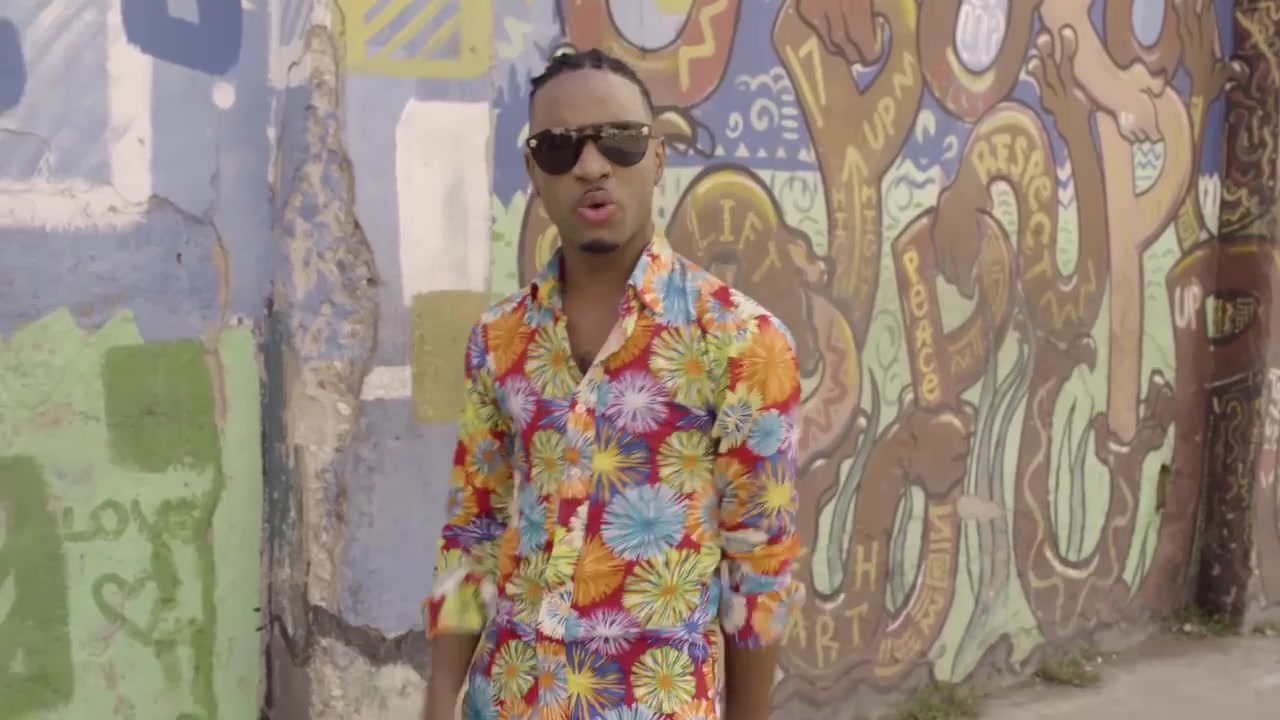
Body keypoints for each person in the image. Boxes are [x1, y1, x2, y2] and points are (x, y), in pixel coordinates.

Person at [422, 48, 803, 720]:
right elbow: (472, 532)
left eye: (620, 140)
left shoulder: (743, 341)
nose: (592, 166)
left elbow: (759, 567)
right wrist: (436, 701)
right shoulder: (498, 340)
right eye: (560, 147)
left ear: (656, 157)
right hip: (507, 702)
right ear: (534, 172)